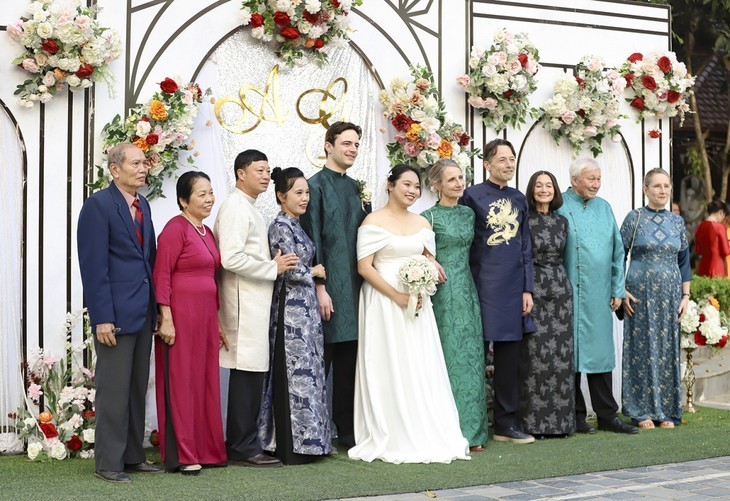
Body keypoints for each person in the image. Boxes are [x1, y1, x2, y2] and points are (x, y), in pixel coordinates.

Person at [349, 164, 470, 464]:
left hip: (418, 304)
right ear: (390, 185)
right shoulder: (372, 221)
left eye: (416, 186)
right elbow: (365, 267)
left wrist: (426, 276)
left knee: (419, 362)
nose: (412, 191)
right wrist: (398, 297)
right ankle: (390, 429)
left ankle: (423, 425)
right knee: (389, 361)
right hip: (384, 301)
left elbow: (429, 259)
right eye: (406, 184)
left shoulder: (422, 224)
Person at [77, 143, 163, 482]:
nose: (143, 169)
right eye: (136, 163)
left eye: (145, 163)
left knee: (136, 387)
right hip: (114, 314)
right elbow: (93, 267)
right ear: (115, 169)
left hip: (142, 311)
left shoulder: (143, 205)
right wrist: (101, 317)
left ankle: (132, 455)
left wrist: (155, 307)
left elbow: (149, 261)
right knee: (113, 389)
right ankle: (108, 463)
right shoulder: (98, 205)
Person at [215, 149, 299, 468]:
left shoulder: (248, 207)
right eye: (259, 170)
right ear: (241, 173)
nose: (266, 175)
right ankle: (243, 446)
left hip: (253, 299)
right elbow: (231, 258)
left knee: (250, 375)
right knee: (246, 375)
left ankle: (245, 443)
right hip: (243, 301)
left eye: (267, 171)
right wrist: (272, 267)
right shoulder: (236, 207)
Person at [460, 138, 535, 445]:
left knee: (508, 358)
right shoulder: (471, 196)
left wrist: (527, 288)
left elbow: (525, 246)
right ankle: (471, 423)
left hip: (512, 287)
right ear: (487, 164)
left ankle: (505, 423)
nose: (509, 164)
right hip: (479, 284)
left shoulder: (519, 199)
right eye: (502, 159)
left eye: (512, 158)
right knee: (473, 356)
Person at [153, 171, 227, 474]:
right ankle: (183, 454)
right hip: (180, 317)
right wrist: (166, 319)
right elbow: (161, 275)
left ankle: (207, 449)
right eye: (201, 194)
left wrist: (218, 322)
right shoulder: (174, 229)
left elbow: (212, 279)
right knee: (182, 382)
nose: (209, 199)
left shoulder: (207, 232)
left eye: (210, 192)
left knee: (205, 381)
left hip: (206, 317)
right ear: (184, 200)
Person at [300, 121, 369, 448]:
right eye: (346, 143)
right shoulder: (314, 186)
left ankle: (348, 428)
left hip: (358, 285)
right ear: (328, 145)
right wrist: (320, 287)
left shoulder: (357, 188)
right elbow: (312, 238)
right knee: (322, 357)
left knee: (351, 358)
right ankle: (313, 429)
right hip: (327, 288)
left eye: (356, 144)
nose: (352, 149)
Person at [556, 157, 637, 435]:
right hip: (568, 293)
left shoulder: (604, 208)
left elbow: (617, 251)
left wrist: (617, 288)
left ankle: (607, 416)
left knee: (601, 356)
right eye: (591, 179)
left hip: (601, 293)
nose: (596, 184)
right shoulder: (560, 204)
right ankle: (576, 415)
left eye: (599, 179)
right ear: (575, 179)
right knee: (572, 356)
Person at [259, 167, 332, 464]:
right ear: (281, 196)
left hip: (306, 311)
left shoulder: (297, 226)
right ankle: (292, 447)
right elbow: (288, 269)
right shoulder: (280, 226)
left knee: (309, 375)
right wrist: (314, 271)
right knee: (293, 376)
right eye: (298, 193)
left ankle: (313, 444)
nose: (304, 198)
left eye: (306, 192)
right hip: (290, 311)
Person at [421, 159, 488, 451]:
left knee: (471, 357)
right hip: (442, 295)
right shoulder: (427, 217)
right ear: (436, 185)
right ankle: (446, 430)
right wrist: (430, 259)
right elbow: (416, 252)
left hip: (467, 291)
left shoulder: (469, 214)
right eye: (451, 180)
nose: (459, 183)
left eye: (461, 178)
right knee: (446, 357)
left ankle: (473, 432)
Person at [621, 168, 691, 429]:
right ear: (645, 189)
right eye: (657, 186)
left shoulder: (677, 222)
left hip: (671, 296)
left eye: (666, 186)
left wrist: (685, 296)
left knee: (666, 350)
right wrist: (620, 289)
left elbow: (684, 262)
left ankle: (667, 411)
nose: (662, 191)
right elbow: (619, 255)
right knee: (641, 349)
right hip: (639, 296)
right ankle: (641, 411)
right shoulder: (634, 219)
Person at [518, 171, 576, 437]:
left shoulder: (562, 222)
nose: (544, 190)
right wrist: (524, 290)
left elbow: (566, 257)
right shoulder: (524, 220)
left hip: (560, 291)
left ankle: (561, 424)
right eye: (538, 185)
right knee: (535, 357)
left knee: (560, 357)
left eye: (548, 185)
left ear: (555, 191)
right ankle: (534, 424)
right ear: (531, 190)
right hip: (533, 289)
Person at [695, 199, 730, 277]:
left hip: (703, 265)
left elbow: (698, 249)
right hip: (717, 266)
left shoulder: (700, 226)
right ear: (721, 212)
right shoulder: (719, 227)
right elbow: (726, 251)